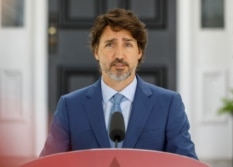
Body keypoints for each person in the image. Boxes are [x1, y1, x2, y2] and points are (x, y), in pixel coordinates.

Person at [40, 8, 198, 159]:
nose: (119, 55)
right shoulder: (70, 106)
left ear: (139, 51)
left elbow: (186, 162)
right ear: (96, 51)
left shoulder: (168, 104)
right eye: (110, 44)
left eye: (128, 44)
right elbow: (48, 163)